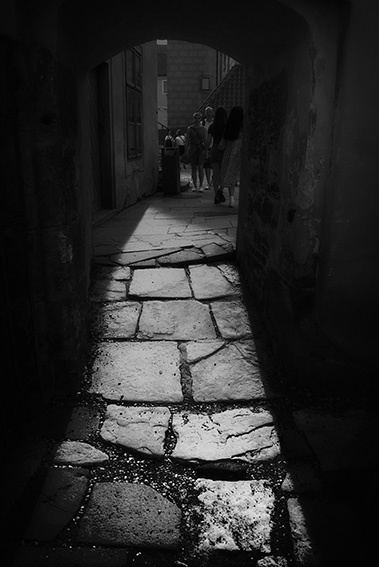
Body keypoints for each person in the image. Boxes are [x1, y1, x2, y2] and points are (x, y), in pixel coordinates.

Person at [218, 105, 244, 207]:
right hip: (240, 156)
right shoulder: (243, 127)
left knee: (228, 176)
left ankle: (231, 199)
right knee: (237, 178)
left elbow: (221, 145)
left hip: (228, 156)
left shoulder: (228, 127)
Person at [206, 106, 228, 203]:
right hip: (224, 150)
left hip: (214, 149)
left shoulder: (212, 126)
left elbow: (208, 140)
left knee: (215, 174)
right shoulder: (227, 127)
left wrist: (206, 151)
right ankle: (220, 191)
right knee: (223, 173)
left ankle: (216, 195)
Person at [183, 112, 207, 192]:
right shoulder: (190, 129)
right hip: (192, 149)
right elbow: (187, 141)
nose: (197, 120)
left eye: (198, 118)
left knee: (200, 167)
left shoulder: (204, 129)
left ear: (200, 119)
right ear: (193, 119)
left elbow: (205, 140)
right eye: (195, 118)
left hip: (200, 149)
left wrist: (206, 151)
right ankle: (195, 185)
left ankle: (200, 185)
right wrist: (186, 151)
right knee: (193, 168)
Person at [201, 106, 214, 189]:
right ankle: (208, 183)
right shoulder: (203, 123)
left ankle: (213, 181)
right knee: (207, 165)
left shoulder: (215, 122)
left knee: (215, 165)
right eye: (207, 112)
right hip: (206, 146)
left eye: (210, 111)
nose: (209, 113)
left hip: (214, 145)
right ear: (205, 113)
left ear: (212, 113)